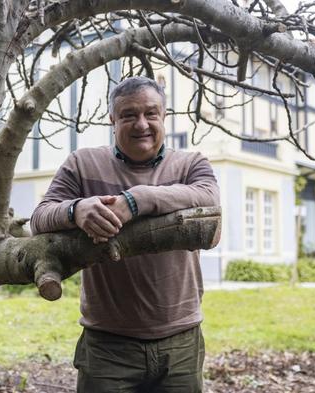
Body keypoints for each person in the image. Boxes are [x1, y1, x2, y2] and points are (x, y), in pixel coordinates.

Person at [30, 76, 220, 393]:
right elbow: (40, 217)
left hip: (181, 341)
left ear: (165, 116)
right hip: (108, 345)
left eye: (151, 113)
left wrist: (138, 199)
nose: (141, 124)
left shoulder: (190, 164)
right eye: (129, 115)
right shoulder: (83, 164)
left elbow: (209, 200)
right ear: (112, 120)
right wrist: (76, 210)